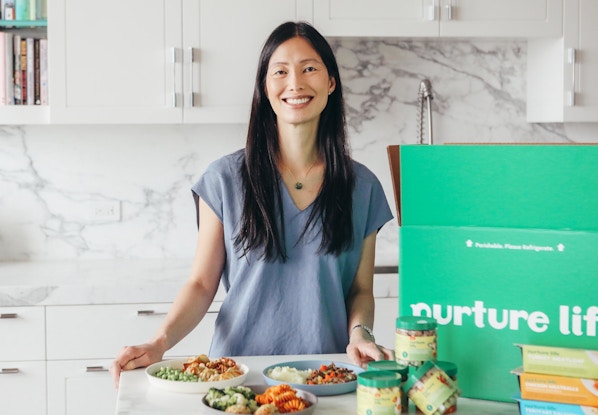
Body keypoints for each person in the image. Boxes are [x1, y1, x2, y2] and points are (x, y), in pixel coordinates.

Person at [110, 21, 393, 389]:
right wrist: (159, 342)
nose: (295, 83)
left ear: (331, 82)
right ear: (265, 86)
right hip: (236, 377)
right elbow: (200, 283)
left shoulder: (363, 186)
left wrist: (360, 335)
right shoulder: (224, 179)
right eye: (280, 71)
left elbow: (360, 290)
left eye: (310, 68)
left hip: (326, 377)